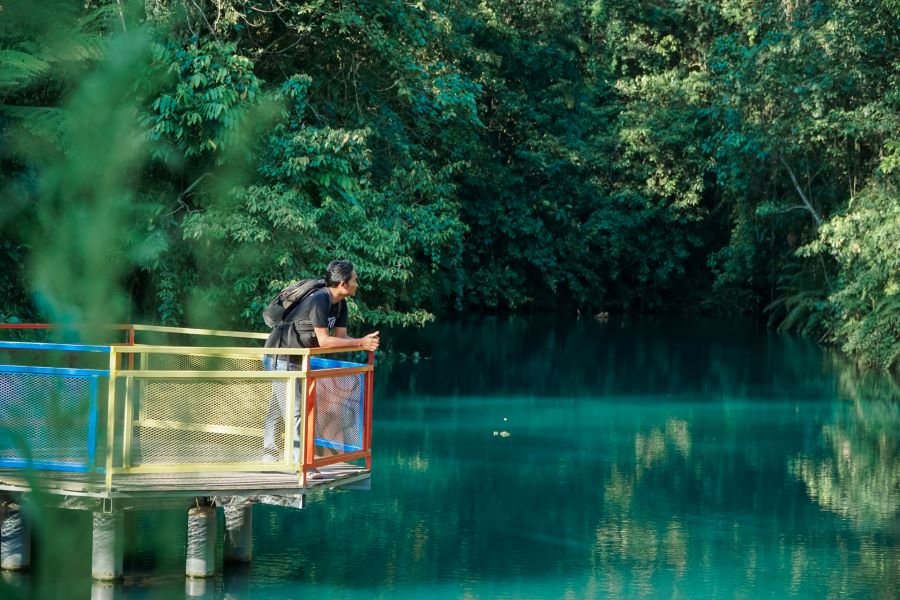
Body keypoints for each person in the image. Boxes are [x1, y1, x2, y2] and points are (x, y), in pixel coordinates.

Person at [262, 260, 379, 470]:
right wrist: (360, 342)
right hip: (281, 356)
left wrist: (363, 344)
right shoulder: (320, 299)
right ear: (343, 284)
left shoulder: (341, 304)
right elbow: (325, 341)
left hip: (300, 359)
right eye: (355, 280)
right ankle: (301, 465)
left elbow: (341, 338)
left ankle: (269, 455)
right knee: (296, 410)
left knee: (280, 407)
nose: (357, 284)